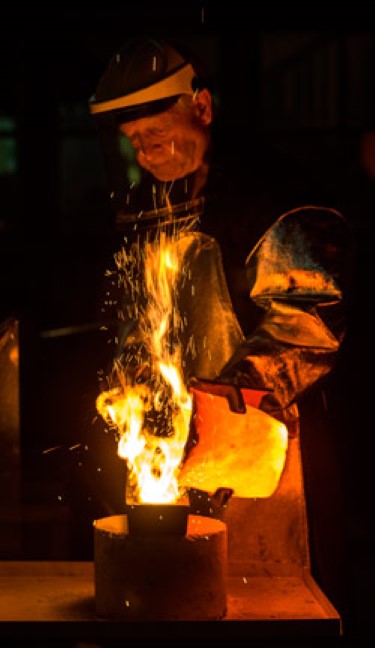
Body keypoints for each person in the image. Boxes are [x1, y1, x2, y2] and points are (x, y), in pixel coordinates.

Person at [89, 35, 355, 625]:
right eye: (136, 143)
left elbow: (307, 322)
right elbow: (155, 317)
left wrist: (229, 397)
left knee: (274, 596)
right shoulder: (167, 205)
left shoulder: (270, 200)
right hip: (200, 449)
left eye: (156, 135)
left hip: (280, 444)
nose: (148, 155)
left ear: (202, 108)